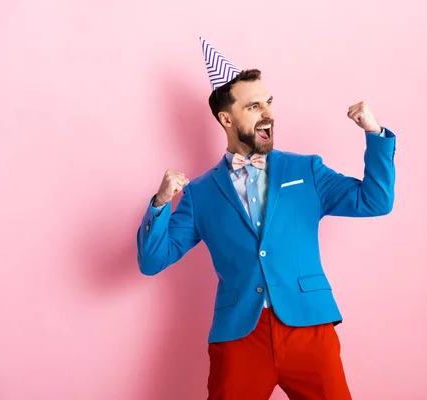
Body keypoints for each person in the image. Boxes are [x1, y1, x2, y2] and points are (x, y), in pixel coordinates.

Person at [136, 37, 397, 400]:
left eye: (269, 102)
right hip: (240, 334)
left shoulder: (306, 170)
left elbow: (376, 201)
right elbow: (152, 261)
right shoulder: (200, 193)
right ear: (227, 119)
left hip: (309, 326)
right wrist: (161, 203)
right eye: (254, 106)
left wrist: (374, 134)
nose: (268, 113)